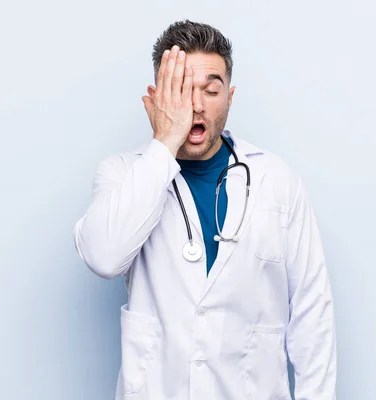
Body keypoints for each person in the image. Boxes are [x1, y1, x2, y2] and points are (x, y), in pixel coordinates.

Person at [73, 20, 337, 400]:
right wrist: (164, 142)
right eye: (181, 91)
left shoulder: (277, 180)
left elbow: (313, 311)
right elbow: (103, 257)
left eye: (210, 91)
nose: (196, 106)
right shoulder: (123, 173)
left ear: (229, 97)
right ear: (158, 96)